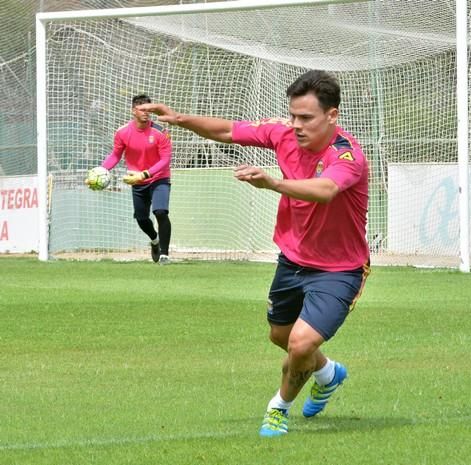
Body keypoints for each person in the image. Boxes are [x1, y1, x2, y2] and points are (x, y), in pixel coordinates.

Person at [139, 69, 370, 437]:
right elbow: (228, 131)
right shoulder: (282, 134)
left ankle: (278, 408)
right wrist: (179, 118)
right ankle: (327, 373)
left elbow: (326, 190)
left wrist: (273, 183)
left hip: (338, 269)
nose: (296, 125)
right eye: (293, 115)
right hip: (292, 259)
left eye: (306, 118)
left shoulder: (347, 156)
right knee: (281, 338)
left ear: (332, 115)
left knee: (301, 342)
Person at [86, 94, 173, 264]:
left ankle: (164, 254)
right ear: (133, 111)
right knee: (141, 219)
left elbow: (165, 159)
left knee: (160, 212)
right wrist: (99, 171)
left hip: (159, 178)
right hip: (137, 181)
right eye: (142, 110)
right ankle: (154, 240)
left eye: (149, 110)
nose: (146, 113)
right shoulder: (122, 132)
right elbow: (115, 155)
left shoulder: (161, 132)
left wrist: (146, 173)